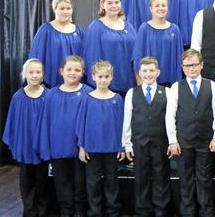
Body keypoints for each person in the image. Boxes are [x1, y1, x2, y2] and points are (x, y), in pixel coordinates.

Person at [166, 49, 215, 216]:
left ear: (202, 65)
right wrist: (172, 140)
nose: (191, 68)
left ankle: (206, 212)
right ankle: (188, 213)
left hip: (205, 140)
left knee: (205, 179)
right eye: (187, 66)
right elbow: (170, 116)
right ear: (182, 68)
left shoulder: (211, 85)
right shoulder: (176, 87)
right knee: (185, 180)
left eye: (195, 65)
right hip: (183, 142)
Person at [37, 55, 91, 217]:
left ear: (83, 72)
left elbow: (91, 124)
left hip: (80, 151)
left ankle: (80, 212)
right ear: (61, 71)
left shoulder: (88, 93)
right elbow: (44, 123)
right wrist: (45, 149)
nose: (73, 73)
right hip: (58, 149)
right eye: (69, 69)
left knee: (80, 183)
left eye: (77, 70)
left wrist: (85, 146)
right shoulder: (51, 94)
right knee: (62, 184)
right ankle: (66, 211)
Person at [122, 57, 171, 217]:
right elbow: (127, 120)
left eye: (151, 70)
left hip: (161, 142)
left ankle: (161, 211)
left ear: (158, 72)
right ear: (139, 73)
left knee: (161, 177)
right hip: (139, 142)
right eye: (144, 71)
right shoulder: (132, 93)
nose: (148, 74)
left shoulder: (167, 92)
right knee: (141, 178)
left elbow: (171, 120)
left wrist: (172, 141)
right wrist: (127, 144)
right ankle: (142, 211)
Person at [76, 61, 125, 217]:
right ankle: (94, 212)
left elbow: (122, 125)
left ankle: (113, 211)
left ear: (112, 77)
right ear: (93, 77)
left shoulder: (117, 99)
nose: (103, 80)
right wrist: (82, 147)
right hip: (92, 148)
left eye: (106, 76)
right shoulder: (86, 99)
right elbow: (81, 124)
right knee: (93, 182)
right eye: (100, 76)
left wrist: (122, 147)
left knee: (112, 182)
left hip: (111, 148)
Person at [2, 59, 49, 216]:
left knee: (42, 181)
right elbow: (12, 122)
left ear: (43, 75)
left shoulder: (49, 96)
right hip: (25, 145)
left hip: (43, 146)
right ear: (24, 74)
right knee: (26, 181)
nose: (35, 75)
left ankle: (42, 210)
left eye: (38, 72)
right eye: (31, 72)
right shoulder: (18, 97)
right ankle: (29, 211)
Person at [83, 0, 136, 95]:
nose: (114, 6)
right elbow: (91, 57)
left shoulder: (129, 26)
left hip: (128, 82)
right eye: (110, 3)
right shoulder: (96, 27)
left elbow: (136, 54)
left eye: (117, 2)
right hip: (105, 84)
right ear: (102, 5)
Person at [29, 0, 84, 87]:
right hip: (51, 81)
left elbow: (84, 56)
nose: (65, 11)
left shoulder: (79, 31)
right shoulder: (46, 30)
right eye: (62, 9)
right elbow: (36, 55)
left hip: (75, 81)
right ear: (55, 9)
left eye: (68, 8)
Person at [132, 0, 183, 86]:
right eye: (157, 5)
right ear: (151, 8)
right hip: (148, 80)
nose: (161, 8)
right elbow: (137, 56)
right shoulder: (144, 28)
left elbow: (179, 58)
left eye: (163, 5)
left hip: (169, 81)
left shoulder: (175, 29)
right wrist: (140, 82)